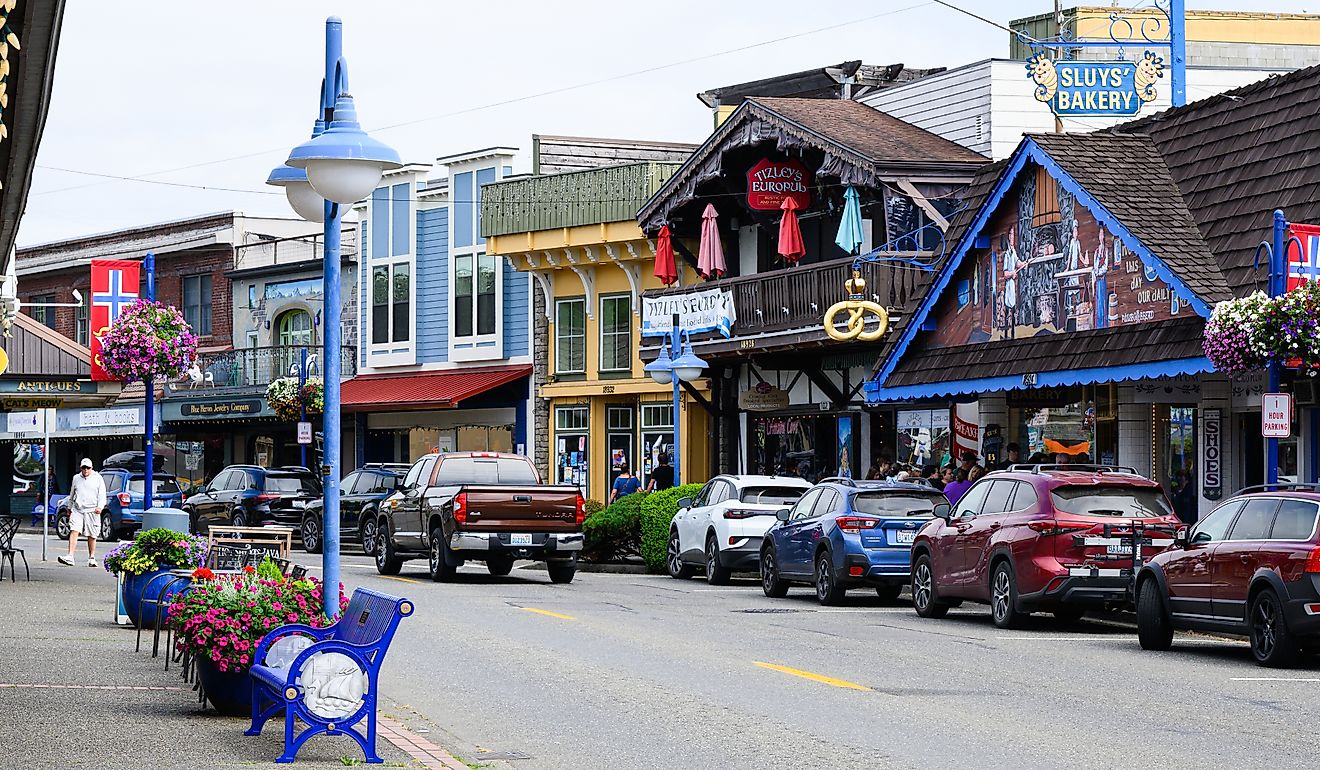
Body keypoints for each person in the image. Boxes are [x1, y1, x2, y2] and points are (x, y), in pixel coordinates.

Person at [59, 458, 106, 567]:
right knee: (74, 530)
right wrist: (69, 508)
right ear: (80, 468)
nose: (85, 470)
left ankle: (92, 557)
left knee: (92, 534)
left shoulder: (98, 478)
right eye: (83, 468)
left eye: (88, 468)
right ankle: (70, 556)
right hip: (78, 509)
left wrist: (100, 507)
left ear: (91, 468)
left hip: (92, 509)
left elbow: (102, 495)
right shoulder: (76, 478)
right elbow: (72, 494)